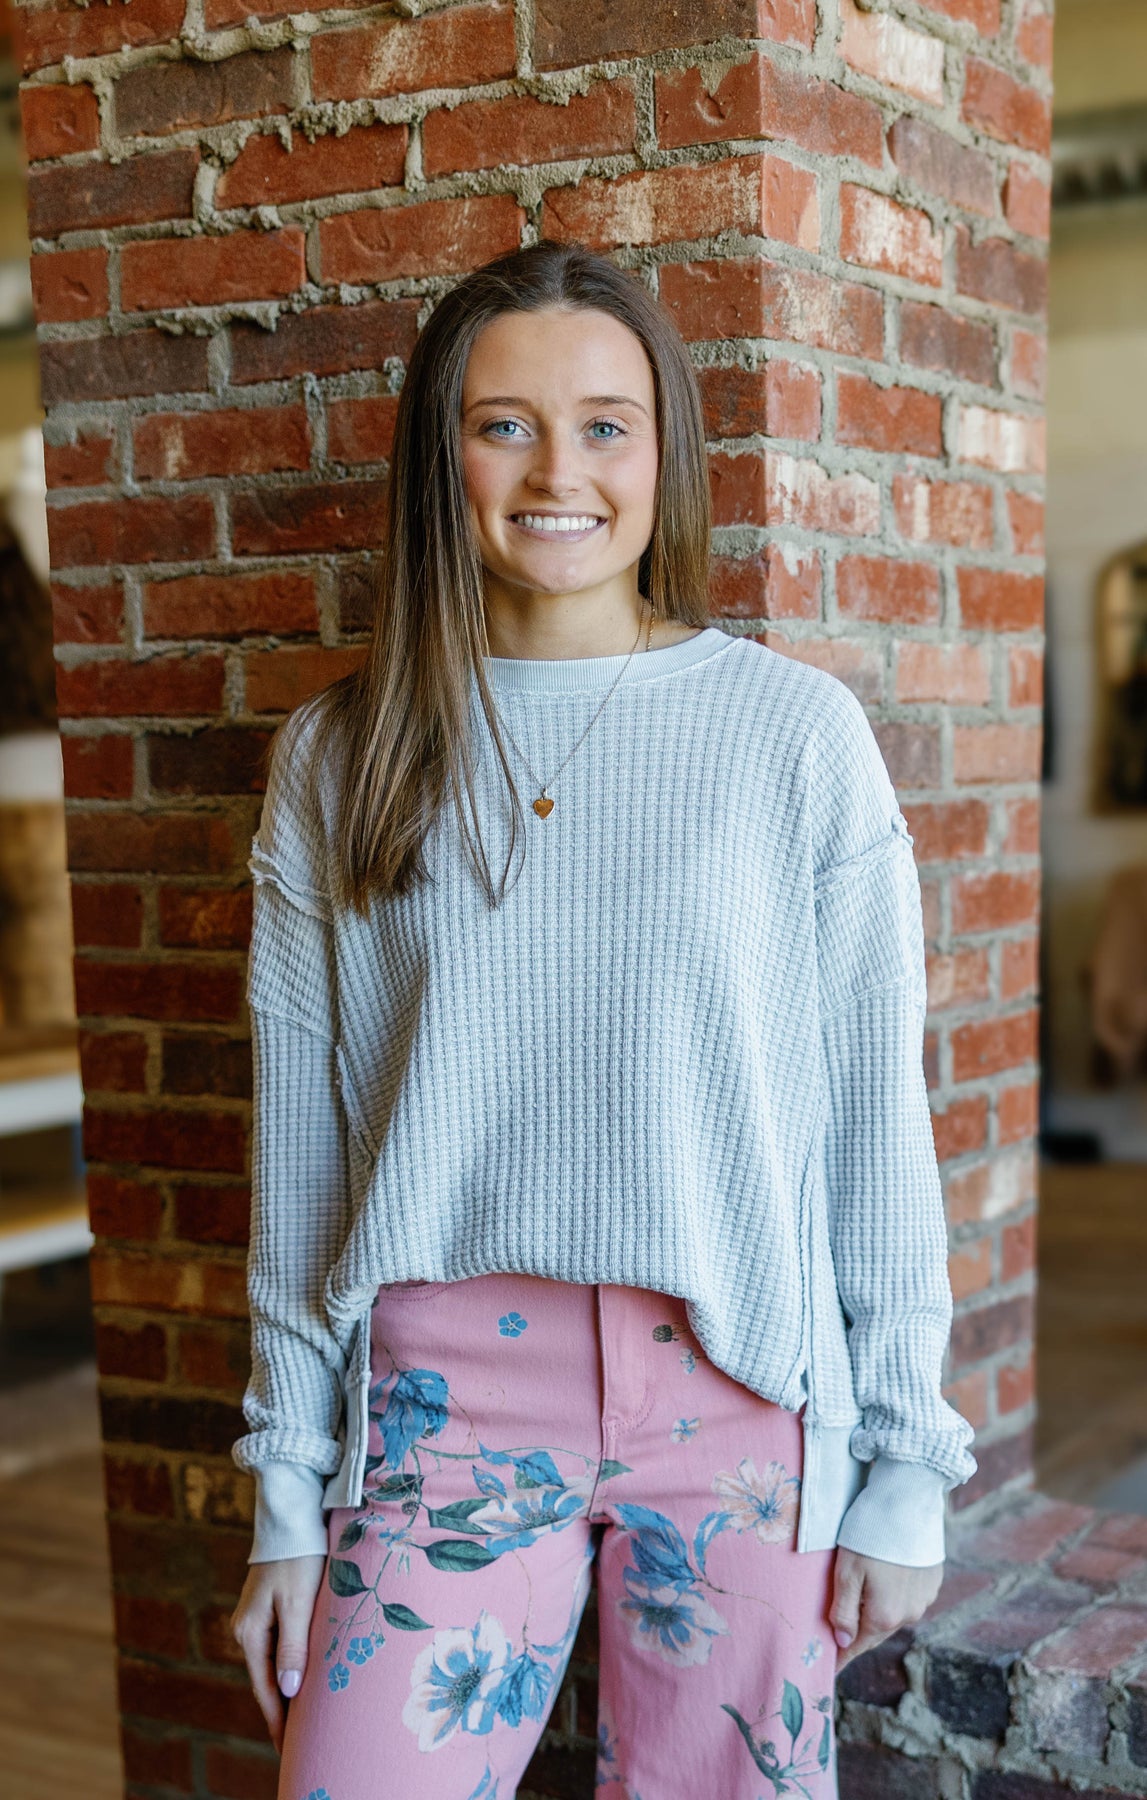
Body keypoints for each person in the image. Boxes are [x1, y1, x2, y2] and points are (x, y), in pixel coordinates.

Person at [227, 238, 976, 1800]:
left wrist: (910, 1456)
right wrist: (287, 1496)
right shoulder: (343, 756)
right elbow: (300, 1158)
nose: (557, 471)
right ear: (441, 457)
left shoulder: (794, 739)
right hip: (438, 1403)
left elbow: (869, 1123)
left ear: (663, 452)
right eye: (503, 424)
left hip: (737, 1392)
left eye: (605, 426)